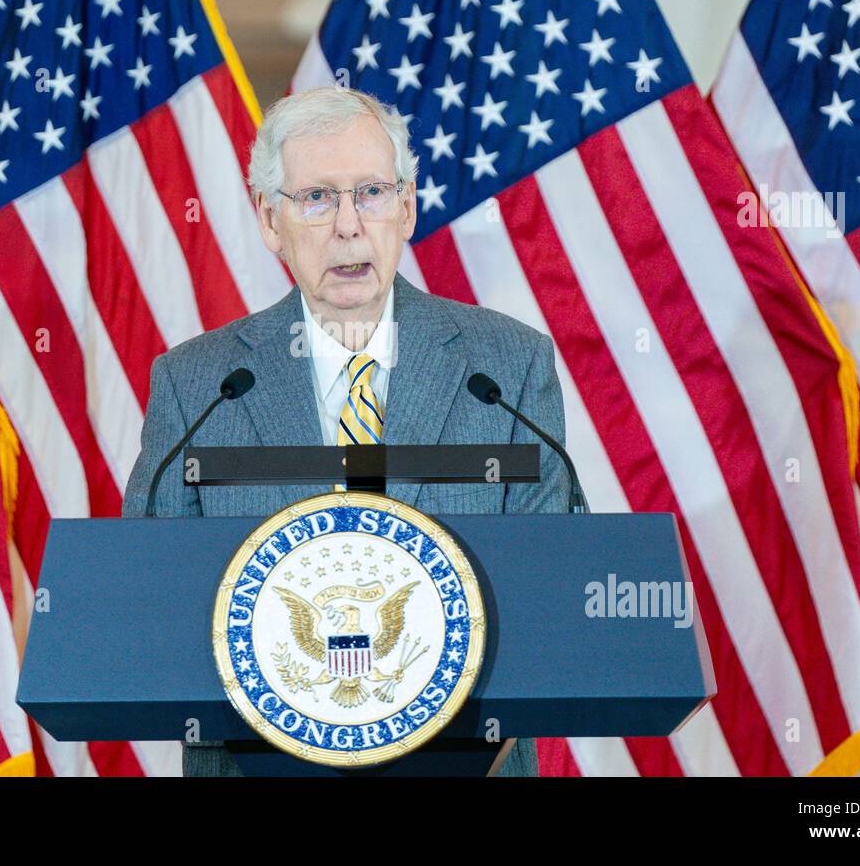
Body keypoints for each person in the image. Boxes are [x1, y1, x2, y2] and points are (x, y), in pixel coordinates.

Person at [122, 86, 574, 777]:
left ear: (408, 207)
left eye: (370, 192)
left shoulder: (508, 366)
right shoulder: (196, 384)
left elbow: (551, 586)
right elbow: (149, 597)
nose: (348, 224)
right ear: (270, 221)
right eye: (315, 198)